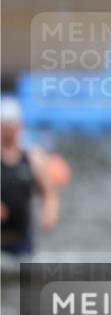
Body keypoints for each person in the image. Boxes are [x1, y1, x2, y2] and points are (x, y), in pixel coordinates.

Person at [1, 98, 60, 257]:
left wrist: (49, 213)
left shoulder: (32, 159)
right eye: (4, 124)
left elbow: (49, 193)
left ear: (20, 125)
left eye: (11, 123)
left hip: (22, 242)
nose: (8, 128)